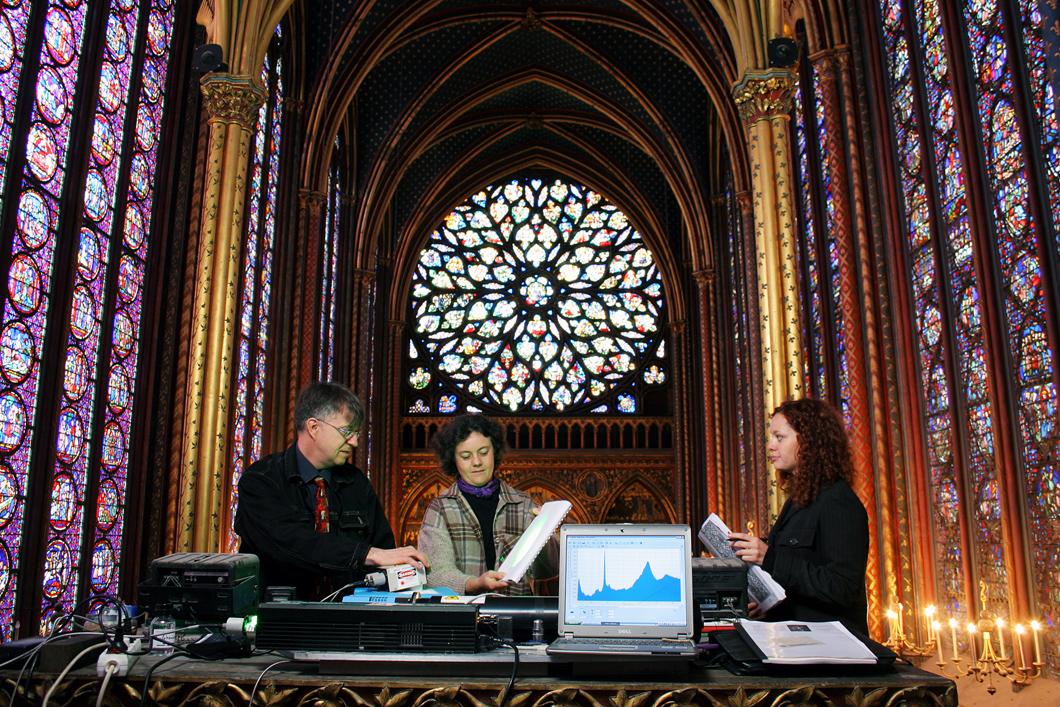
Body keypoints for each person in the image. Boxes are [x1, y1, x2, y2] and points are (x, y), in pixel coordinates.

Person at [235, 382, 428, 600]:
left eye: (357, 433)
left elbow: (384, 549)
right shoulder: (261, 480)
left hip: (348, 619)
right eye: (347, 432)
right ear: (314, 428)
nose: (354, 442)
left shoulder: (356, 483)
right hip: (277, 618)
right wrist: (367, 555)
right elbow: (291, 542)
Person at [727, 398, 869, 635]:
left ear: (809, 441)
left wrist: (769, 557)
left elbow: (842, 588)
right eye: (771, 437)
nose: (770, 446)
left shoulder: (838, 501)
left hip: (832, 646)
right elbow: (798, 583)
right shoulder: (799, 500)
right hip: (796, 636)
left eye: (779, 437)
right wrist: (770, 605)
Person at [417, 414, 557, 595]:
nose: (477, 462)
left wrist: (543, 532)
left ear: (495, 451)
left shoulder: (523, 504)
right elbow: (435, 574)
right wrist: (475, 584)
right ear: (453, 459)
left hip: (514, 614)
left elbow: (548, 570)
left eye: (483, 452)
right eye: (466, 456)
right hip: (464, 617)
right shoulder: (440, 508)